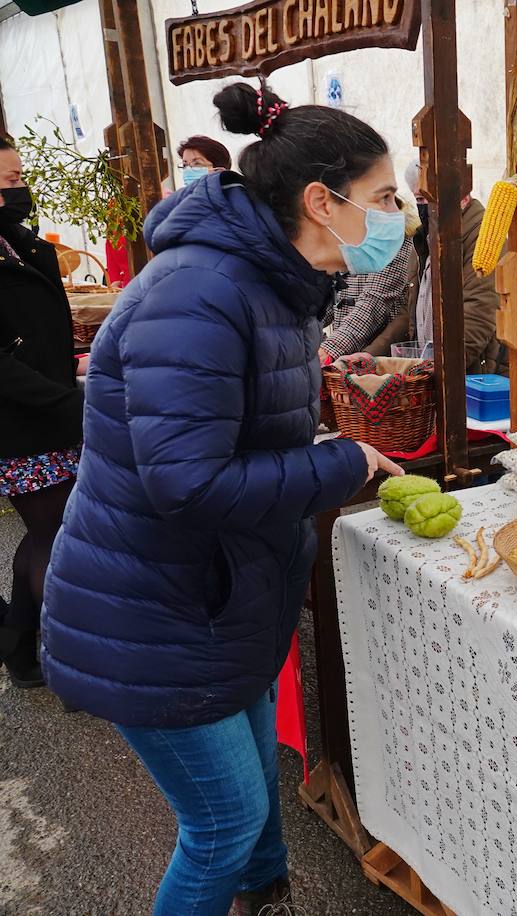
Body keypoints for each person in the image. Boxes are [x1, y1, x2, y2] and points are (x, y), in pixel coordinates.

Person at [43, 81, 405, 915]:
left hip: (218, 598)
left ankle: (263, 898)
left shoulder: (275, 286)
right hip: (156, 613)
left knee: (254, 812)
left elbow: (225, 438)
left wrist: (312, 451)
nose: (397, 215)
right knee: (222, 826)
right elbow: (187, 482)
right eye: (384, 197)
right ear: (323, 201)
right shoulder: (199, 293)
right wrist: (340, 463)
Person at [0, 134, 81, 689]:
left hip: (57, 412)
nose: (20, 189)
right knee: (55, 533)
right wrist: (61, 396)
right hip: (20, 422)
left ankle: (21, 650)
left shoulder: (28, 247)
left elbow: (50, 333)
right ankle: (68, 661)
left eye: (19, 177)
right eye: (9, 182)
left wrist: (76, 370)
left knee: (46, 533)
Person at [404, 160, 503, 373]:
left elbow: (479, 310)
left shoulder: (482, 236)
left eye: (429, 197)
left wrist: (440, 368)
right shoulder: (426, 236)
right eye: (419, 199)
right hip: (433, 368)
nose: (424, 205)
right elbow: (412, 310)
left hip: (474, 376)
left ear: (463, 197)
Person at [319, 219, 419, 362]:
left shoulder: (393, 233)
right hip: (344, 357)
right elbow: (331, 299)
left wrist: (331, 348)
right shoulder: (348, 230)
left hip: (381, 360)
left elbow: (374, 302)